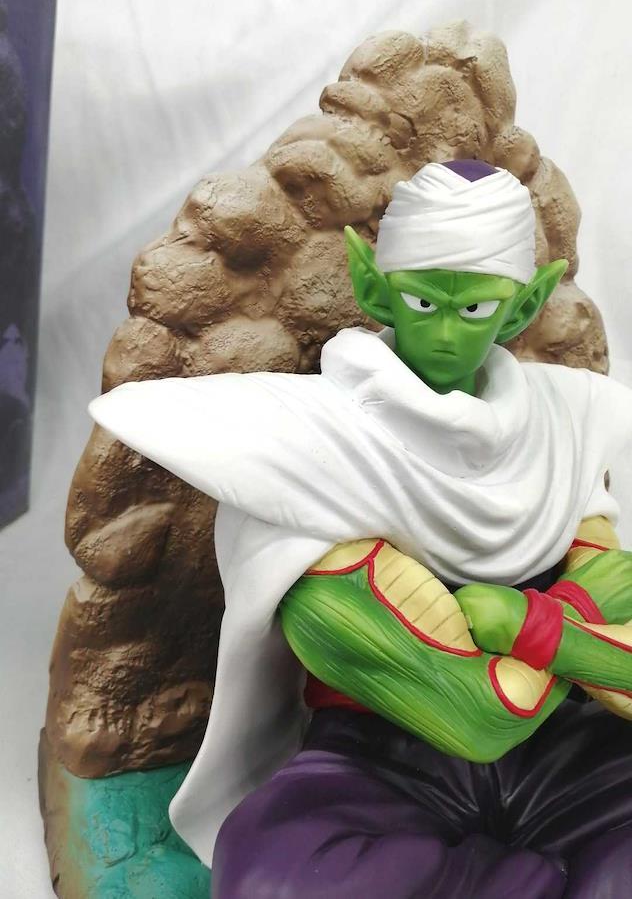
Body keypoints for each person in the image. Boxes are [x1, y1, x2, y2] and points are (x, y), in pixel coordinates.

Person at [90, 159, 632, 898]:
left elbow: (608, 580)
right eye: (422, 301)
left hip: (573, 750)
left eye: (476, 308)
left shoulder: (568, 423)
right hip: (380, 759)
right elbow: (479, 713)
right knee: (273, 875)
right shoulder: (303, 446)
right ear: (375, 287)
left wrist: (531, 627)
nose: (446, 332)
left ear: (524, 305)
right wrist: (581, 634)